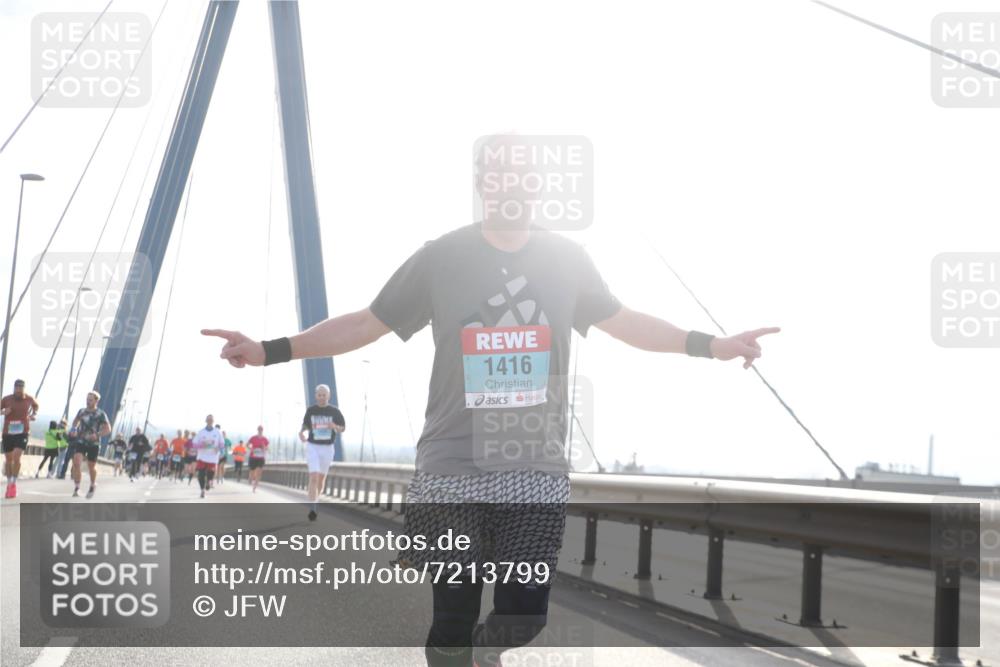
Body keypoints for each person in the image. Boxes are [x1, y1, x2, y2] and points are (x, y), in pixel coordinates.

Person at [203, 133, 779, 667]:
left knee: (524, 615)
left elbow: (627, 323)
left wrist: (714, 345)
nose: (513, 184)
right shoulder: (442, 256)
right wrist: (269, 350)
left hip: (534, 468)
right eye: (499, 174)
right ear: (482, 184)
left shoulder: (567, 259)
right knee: (452, 614)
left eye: (524, 175)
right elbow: (365, 323)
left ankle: (485, 655)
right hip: (454, 466)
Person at [299, 384, 346, 520]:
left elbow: (343, 428)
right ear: (316, 396)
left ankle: (315, 500)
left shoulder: (335, 411)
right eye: (319, 395)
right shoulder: (311, 410)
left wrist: (335, 426)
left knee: (321, 479)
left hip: (327, 448)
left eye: (324, 395)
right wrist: (302, 432)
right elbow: (305, 424)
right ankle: (312, 508)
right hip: (312, 446)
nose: (321, 397)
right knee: (313, 476)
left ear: (328, 396)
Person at [69, 391, 111, 498]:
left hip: (94, 443)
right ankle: (77, 487)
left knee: (91, 467)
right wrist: (74, 429)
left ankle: (92, 484)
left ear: (96, 401)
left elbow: (108, 429)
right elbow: (75, 421)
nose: (88, 402)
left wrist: (97, 435)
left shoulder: (101, 414)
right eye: (87, 399)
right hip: (81, 440)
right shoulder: (82, 411)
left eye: (90, 400)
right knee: (76, 462)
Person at [2, 379, 39, 499]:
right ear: (14, 388)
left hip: (22, 432)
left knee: (17, 456)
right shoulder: (6, 399)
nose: (18, 389)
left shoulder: (29, 399)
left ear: (24, 388)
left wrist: (34, 414)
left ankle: (13, 482)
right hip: (8, 432)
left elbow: (36, 406)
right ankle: (9, 483)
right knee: (9, 459)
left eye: (20, 387)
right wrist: (3, 411)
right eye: (16, 387)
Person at [193, 415, 224, 498]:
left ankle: (209, 482)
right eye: (208, 419)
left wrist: (220, 450)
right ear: (206, 420)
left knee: (211, 474)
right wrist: (202, 445)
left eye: (211, 419)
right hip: (202, 457)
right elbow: (194, 444)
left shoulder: (217, 432)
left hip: (213, 457)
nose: (210, 420)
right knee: (201, 474)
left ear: (213, 421)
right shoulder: (201, 432)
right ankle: (202, 490)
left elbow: (222, 443)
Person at [245, 426, 269, 493]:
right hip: (253, 457)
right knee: (252, 472)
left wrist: (264, 447)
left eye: (261, 429)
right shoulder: (253, 438)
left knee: (259, 472)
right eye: (259, 429)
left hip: (261, 457)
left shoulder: (265, 439)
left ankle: (255, 487)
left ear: (263, 430)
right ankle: (250, 478)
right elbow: (247, 445)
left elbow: (267, 448)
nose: (260, 430)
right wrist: (251, 449)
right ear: (257, 430)